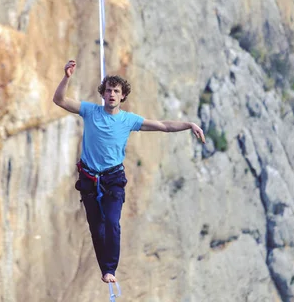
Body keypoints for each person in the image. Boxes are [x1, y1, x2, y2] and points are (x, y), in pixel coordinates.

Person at [53, 59, 206, 284]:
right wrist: (67, 77)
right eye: (108, 91)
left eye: (116, 91)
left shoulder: (129, 120)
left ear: (123, 96)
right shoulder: (90, 111)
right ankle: (104, 268)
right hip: (89, 178)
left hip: (112, 179)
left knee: (112, 223)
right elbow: (59, 100)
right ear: (102, 94)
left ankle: (110, 269)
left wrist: (189, 124)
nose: (112, 94)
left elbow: (163, 126)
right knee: (96, 228)